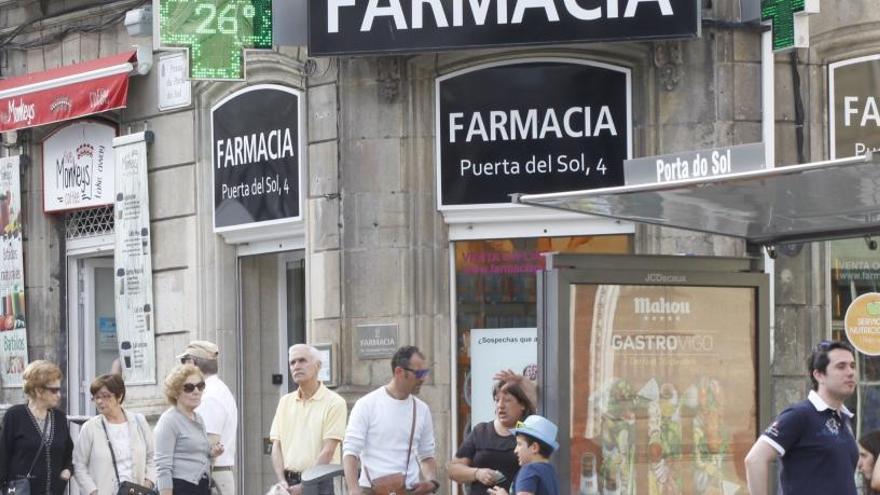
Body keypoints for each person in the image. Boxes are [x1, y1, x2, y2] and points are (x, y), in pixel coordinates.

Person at [745, 340, 859, 495]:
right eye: (841, 366)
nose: (850, 372)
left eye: (852, 366)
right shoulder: (800, 414)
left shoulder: (844, 418)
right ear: (819, 375)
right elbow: (754, 459)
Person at [343, 346, 439, 495]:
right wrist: (353, 490)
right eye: (419, 373)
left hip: (409, 490)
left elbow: (426, 455)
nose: (423, 379)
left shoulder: (422, 409)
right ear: (399, 372)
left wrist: (431, 482)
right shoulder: (367, 404)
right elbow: (351, 451)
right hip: (371, 490)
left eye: (425, 372)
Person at [270, 344, 347, 495]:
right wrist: (281, 480)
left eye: (302, 360)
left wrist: (306, 485)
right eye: (292, 362)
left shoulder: (335, 403)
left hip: (322, 482)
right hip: (288, 483)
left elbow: (328, 451)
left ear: (318, 366)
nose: (296, 366)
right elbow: (276, 446)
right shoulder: (284, 402)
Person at [448, 375, 536, 495]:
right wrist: (477, 473)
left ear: (522, 405)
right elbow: (453, 470)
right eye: (497, 399)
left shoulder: (529, 432)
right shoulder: (481, 431)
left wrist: (524, 382)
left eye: (507, 400)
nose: (500, 405)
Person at [72, 373, 157, 494]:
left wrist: (148, 483)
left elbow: (152, 457)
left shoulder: (139, 421)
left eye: (106, 396)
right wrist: (93, 491)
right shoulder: (90, 428)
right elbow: (78, 465)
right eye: (96, 397)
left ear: (119, 396)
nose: (100, 401)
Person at [0, 360, 74, 494]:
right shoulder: (14, 416)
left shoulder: (59, 418)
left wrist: (66, 472)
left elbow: (68, 454)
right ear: (38, 390)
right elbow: (2, 458)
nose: (58, 394)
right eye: (54, 390)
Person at [178, 340, 238, 495]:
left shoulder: (210, 395)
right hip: (212, 475)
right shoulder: (214, 390)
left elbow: (208, 444)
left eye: (183, 362)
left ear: (192, 363)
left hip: (211, 477)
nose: (181, 368)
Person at [154, 364, 224, 495]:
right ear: (175, 393)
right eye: (189, 388)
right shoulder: (169, 421)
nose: (196, 391)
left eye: (200, 386)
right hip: (180, 488)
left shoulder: (199, 419)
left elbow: (199, 458)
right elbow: (163, 467)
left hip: (201, 487)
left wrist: (212, 455)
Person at [486, 415, 560, 495]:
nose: (515, 450)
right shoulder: (550, 472)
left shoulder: (529, 470)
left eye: (519, 444)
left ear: (534, 447)